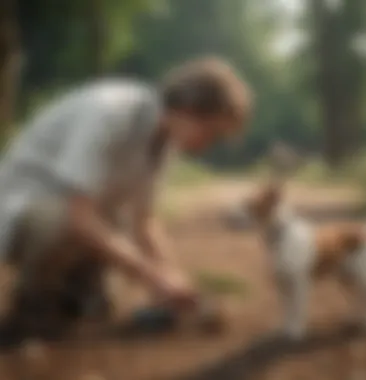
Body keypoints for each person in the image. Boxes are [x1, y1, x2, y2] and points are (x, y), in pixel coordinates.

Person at [0, 56, 252, 339]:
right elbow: (79, 217)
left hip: (76, 209)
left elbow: (144, 222)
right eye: (211, 133)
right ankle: (33, 301)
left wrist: (173, 279)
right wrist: (152, 276)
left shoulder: (164, 139)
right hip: (23, 208)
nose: (209, 145)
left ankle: (78, 286)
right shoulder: (109, 112)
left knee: (108, 239)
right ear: (187, 110)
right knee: (71, 224)